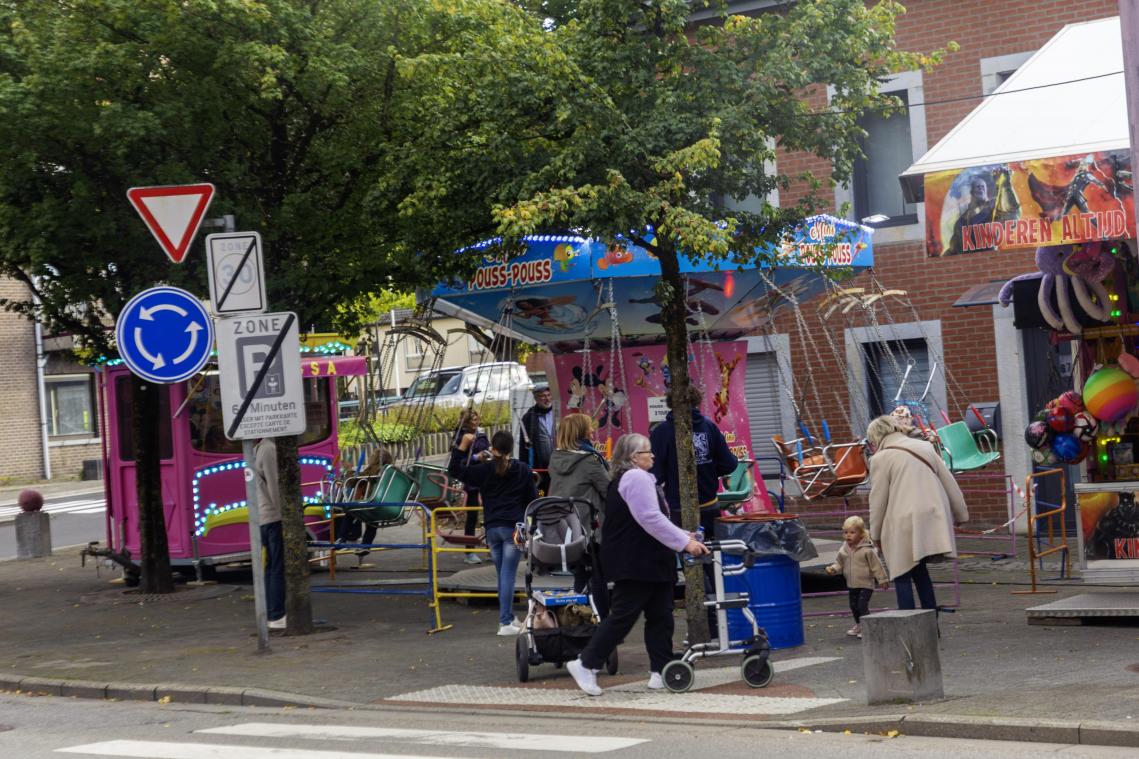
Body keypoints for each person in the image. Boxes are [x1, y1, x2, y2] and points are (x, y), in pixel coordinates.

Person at [566, 434, 709, 696]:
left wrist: (682, 535)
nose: (652, 455)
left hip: (647, 558)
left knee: (661, 615)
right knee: (625, 615)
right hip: (638, 559)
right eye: (647, 451)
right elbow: (649, 517)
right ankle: (586, 663)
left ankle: (661, 670)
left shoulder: (630, 478)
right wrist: (684, 543)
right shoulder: (636, 477)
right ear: (634, 457)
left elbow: (648, 518)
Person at [867, 415, 968, 612]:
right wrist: (960, 514)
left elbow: (877, 501)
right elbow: (949, 482)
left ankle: (908, 622)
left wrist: (875, 534)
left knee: (901, 573)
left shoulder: (880, 459)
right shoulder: (924, 447)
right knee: (920, 570)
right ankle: (931, 620)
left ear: (876, 437)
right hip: (932, 515)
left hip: (902, 520)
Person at [449, 429, 537, 636]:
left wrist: (461, 448)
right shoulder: (523, 469)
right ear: (511, 448)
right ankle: (505, 622)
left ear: (493, 448)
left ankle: (509, 617)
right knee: (508, 575)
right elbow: (533, 499)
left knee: (502, 574)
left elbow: (455, 470)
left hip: (492, 528)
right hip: (515, 528)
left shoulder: (484, 469)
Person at [649, 385, 738, 536]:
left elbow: (655, 474)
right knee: (712, 547)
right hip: (709, 504)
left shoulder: (661, 432)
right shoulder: (709, 426)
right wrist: (708, 471)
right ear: (696, 401)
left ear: (671, 402)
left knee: (684, 548)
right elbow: (729, 464)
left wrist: (671, 475)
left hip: (679, 508)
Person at [547, 413, 611, 618]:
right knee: (598, 576)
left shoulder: (555, 459)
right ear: (581, 432)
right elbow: (608, 491)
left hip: (566, 528)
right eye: (589, 427)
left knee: (580, 575)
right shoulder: (590, 460)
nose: (592, 430)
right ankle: (602, 621)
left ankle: (578, 619)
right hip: (590, 528)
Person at [825, 515, 889, 639]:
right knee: (853, 606)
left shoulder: (867, 550)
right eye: (845, 532)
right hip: (851, 583)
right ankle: (859, 624)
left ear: (861, 534)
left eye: (852, 532)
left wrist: (883, 579)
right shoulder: (844, 549)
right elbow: (839, 562)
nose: (848, 535)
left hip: (866, 584)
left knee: (862, 606)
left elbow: (877, 566)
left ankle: (867, 628)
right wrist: (833, 568)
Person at [253, 437, 287, 630]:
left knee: (270, 566)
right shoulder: (269, 450)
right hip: (273, 516)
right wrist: (285, 515)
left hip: (263, 516)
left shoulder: (257, 449)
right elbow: (275, 486)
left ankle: (271, 613)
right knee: (276, 567)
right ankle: (277, 614)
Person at [453, 410, 491, 564]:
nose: (475, 422)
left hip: (485, 477)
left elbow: (487, 448)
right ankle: (469, 552)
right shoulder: (461, 437)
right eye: (472, 420)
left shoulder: (481, 435)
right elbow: (458, 460)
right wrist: (476, 457)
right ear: (466, 422)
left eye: (476, 419)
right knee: (472, 516)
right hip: (471, 480)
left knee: (490, 515)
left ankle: (491, 548)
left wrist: (487, 454)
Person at [519, 384, 555, 494]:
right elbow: (523, 447)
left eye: (549, 395)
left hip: (560, 466)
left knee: (558, 496)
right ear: (535, 398)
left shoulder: (558, 413)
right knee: (541, 495)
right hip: (540, 469)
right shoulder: (528, 417)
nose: (547, 398)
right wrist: (525, 470)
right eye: (543, 396)